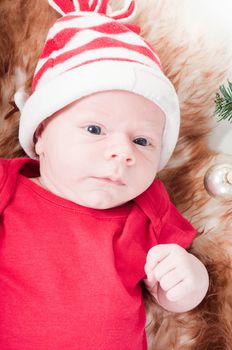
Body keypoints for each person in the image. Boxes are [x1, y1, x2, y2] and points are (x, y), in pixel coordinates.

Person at [0, 0, 209, 349]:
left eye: (142, 140)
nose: (123, 152)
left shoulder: (145, 208)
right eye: (95, 129)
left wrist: (188, 280)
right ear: (40, 136)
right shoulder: (9, 185)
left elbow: (173, 298)